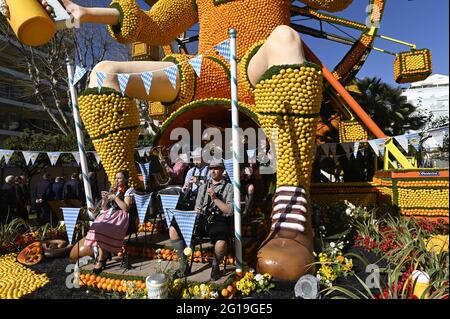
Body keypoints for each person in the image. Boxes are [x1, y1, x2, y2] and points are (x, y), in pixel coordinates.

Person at [13, 0, 330, 281]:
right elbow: (155, 24)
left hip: (254, 64)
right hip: (202, 73)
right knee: (102, 74)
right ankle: (123, 207)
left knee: (285, 39)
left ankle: (291, 210)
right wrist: (84, 12)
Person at [84, 170, 135, 274]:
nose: (117, 180)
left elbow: (125, 208)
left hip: (122, 217)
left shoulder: (129, 190)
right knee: (96, 226)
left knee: (102, 228)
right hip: (110, 214)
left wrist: (115, 198)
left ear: (126, 179)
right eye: (116, 178)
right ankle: (104, 255)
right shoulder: (114, 189)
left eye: (120, 178)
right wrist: (104, 200)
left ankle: (101, 259)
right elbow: (105, 208)